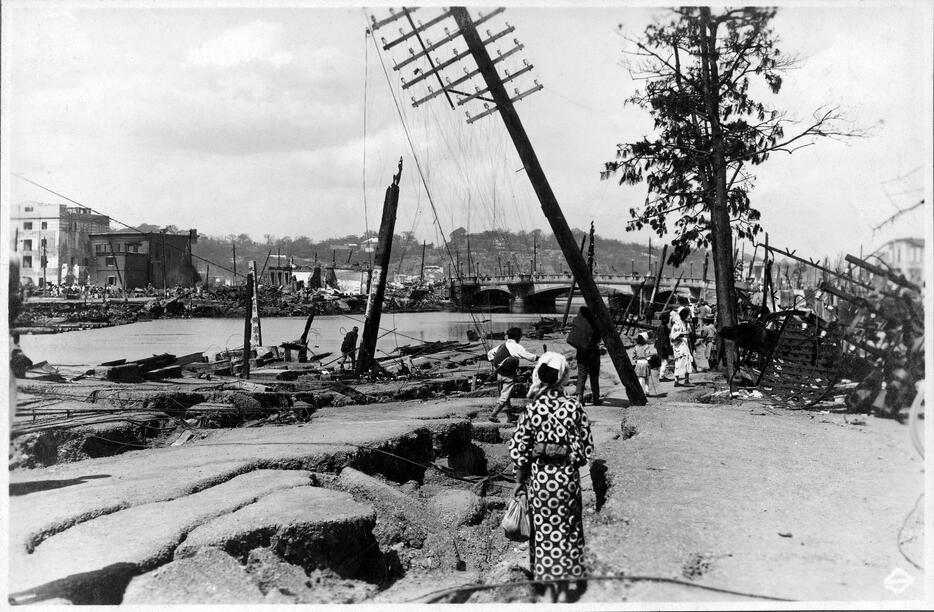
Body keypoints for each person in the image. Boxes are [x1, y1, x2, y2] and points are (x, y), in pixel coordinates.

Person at [508, 352, 594, 603]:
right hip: (567, 480)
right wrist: (568, 456)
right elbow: (586, 450)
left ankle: (546, 586)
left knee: (543, 532)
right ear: (563, 377)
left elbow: (520, 452)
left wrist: (519, 482)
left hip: (540, 481)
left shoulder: (532, 409)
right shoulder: (574, 407)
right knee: (568, 529)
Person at [487, 327, 537, 422]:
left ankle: (510, 416)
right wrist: (540, 357)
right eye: (520, 336)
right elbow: (529, 357)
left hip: (499, 374)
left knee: (506, 396)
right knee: (504, 397)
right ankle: (493, 415)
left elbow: (490, 353)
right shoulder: (516, 346)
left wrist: (498, 365)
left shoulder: (502, 345)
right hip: (508, 375)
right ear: (517, 336)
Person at [570, 306, 602, 406]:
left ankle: (579, 397)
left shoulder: (577, 321)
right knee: (594, 376)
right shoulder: (594, 323)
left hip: (582, 352)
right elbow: (598, 337)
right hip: (593, 352)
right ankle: (596, 397)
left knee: (581, 375)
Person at [670, 307, 694, 386]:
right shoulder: (677, 324)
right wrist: (681, 334)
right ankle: (677, 381)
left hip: (685, 344)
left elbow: (690, 332)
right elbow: (672, 336)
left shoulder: (686, 324)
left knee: (687, 361)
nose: (689, 317)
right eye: (688, 316)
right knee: (679, 362)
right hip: (679, 345)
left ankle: (685, 380)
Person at [654, 311, 674, 381]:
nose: (668, 320)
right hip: (662, 347)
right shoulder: (663, 327)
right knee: (664, 362)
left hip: (660, 346)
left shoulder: (661, 326)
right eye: (668, 318)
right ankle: (661, 377)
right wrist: (667, 348)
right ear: (665, 319)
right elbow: (663, 339)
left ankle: (661, 376)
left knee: (664, 362)